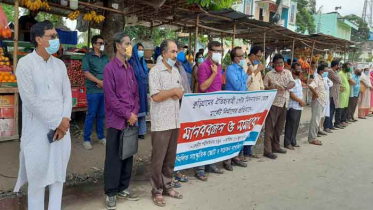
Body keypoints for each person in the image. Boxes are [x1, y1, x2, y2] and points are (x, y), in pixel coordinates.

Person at [14, 20, 72, 210]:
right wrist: (57, 122)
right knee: (37, 181)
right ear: (39, 39)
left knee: (57, 180)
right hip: (36, 133)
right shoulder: (25, 64)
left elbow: (67, 95)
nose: (56, 40)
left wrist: (65, 120)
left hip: (62, 132)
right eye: (52, 36)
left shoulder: (60, 65)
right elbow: (30, 101)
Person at [103, 32, 140, 210]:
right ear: (118, 46)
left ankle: (123, 187)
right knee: (113, 158)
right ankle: (111, 192)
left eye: (129, 43)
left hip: (130, 119)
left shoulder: (130, 68)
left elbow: (136, 95)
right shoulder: (109, 69)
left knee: (127, 155)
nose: (129, 46)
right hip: (116, 121)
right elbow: (111, 99)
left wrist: (134, 113)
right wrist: (127, 114)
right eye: (126, 43)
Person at [149, 39, 184, 207]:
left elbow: (181, 93)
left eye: (176, 51)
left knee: (170, 158)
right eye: (172, 51)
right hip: (161, 122)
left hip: (175, 120)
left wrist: (173, 93)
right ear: (163, 53)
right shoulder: (155, 72)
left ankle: (167, 185)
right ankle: (156, 191)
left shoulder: (176, 71)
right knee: (158, 159)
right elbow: (156, 96)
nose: (175, 55)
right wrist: (173, 92)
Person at [195, 41, 225, 180]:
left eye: (221, 51)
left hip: (216, 106)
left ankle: (210, 164)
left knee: (214, 137)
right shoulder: (203, 66)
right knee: (203, 138)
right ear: (210, 52)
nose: (219, 53)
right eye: (217, 51)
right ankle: (200, 169)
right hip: (205, 107)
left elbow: (219, 86)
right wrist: (212, 74)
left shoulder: (219, 66)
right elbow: (202, 87)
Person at [222, 46, 250, 171]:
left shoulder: (240, 69)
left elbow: (244, 87)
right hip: (231, 105)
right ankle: (227, 160)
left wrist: (245, 76)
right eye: (241, 56)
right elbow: (239, 86)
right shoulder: (230, 70)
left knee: (239, 132)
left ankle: (236, 157)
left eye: (243, 55)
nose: (243, 58)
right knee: (230, 131)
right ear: (235, 58)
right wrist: (248, 75)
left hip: (241, 105)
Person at [263, 54, 295, 159]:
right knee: (270, 127)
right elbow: (264, 87)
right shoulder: (269, 74)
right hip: (274, 103)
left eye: (281, 63)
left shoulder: (288, 72)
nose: (280, 65)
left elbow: (292, 82)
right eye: (277, 63)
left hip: (285, 102)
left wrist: (285, 87)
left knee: (279, 126)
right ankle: (267, 150)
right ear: (273, 64)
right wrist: (272, 88)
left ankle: (276, 146)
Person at [82, 35, 110, 150]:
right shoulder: (87, 57)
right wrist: (98, 81)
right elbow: (86, 73)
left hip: (104, 90)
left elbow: (109, 71)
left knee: (101, 115)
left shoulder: (105, 57)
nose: (101, 45)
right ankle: (86, 139)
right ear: (94, 45)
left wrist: (104, 82)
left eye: (103, 43)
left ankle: (101, 136)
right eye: (99, 43)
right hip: (93, 90)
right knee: (91, 114)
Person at [244, 46, 265, 160]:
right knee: (246, 126)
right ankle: (243, 152)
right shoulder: (245, 64)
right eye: (257, 56)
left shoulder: (257, 65)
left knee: (253, 126)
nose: (258, 58)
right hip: (247, 100)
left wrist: (262, 93)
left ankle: (249, 150)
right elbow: (247, 79)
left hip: (257, 100)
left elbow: (260, 82)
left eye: (260, 56)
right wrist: (257, 70)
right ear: (251, 54)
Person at [129, 43, 149, 140]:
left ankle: (141, 132)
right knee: (135, 110)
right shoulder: (131, 62)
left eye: (142, 49)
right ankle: (134, 131)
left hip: (143, 90)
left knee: (142, 111)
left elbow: (146, 76)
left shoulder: (143, 63)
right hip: (135, 91)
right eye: (139, 49)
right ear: (134, 51)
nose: (141, 51)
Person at [284, 62, 305, 150]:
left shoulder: (298, 80)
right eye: (297, 69)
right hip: (292, 106)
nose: (299, 71)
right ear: (292, 70)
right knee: (290, 125)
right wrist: (300, 101)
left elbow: (300, 92)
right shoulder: (291, 80)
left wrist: (302, 100)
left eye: (300, 69)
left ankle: (293, 141)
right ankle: (287, 143)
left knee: (296, 125)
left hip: (299, 106)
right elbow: (291, 94)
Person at [308, 64, 328, 146]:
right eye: (325, 70)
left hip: (321, 101)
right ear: (321, 71)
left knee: (317, 119)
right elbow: (311, 86)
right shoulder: (317, 78)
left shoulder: (322, 78)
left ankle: (314, 136)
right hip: (318, 101)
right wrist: (316, 94)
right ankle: (312, 138)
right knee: (315, 120)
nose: (327, 72)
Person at [324, 60, 342, 130]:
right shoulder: (330, 71)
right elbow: (339, 80)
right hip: (332, 94)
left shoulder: (335, 72)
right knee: (330, 111)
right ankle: (327, 126)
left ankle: (330, 125)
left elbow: (339, 80)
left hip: (335, 94)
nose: (339, 66)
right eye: (339, 65)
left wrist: (339, 78)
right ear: (336, 65)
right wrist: (339, 78)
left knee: (332, 110)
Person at [338, 62, 355, 127]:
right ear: (344, 67)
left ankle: (343, 121)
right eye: (348, 67)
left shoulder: (346, 74)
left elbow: (352, 81)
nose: (349, 68)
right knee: (340, 109)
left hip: (346, 94)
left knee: (345, 108)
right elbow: (337, 83)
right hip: (342, 94)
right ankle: (338, 122)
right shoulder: (340, 73)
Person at [319, 67, 333, 135]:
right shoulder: (319, 78)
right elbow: (326, 85)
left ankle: (321, 128)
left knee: (324, 114)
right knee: (320, 114)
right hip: (321, 98)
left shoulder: (326, 78)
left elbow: (331, 83)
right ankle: (318, 129)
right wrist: (328, 83)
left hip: (326, 98)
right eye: (325, 71)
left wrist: (328, 83)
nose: (326, 73)